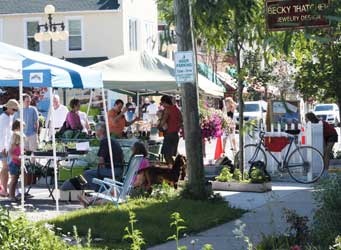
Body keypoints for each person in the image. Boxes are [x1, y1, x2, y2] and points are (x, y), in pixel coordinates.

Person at [83, 123, 124, 191]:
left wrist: (101, 170)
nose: (95, 132)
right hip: (118, 168)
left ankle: (99, 192)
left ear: (100, 131)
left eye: (96, 130)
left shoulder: (105, 141)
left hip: (113, 170)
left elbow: (101, 159)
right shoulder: (111, 139)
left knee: (87, 173)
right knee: (94, 171)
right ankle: (102, 190)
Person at [0, 99, 19, 197]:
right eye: (14, 110)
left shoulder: (9, 117)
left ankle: (3, 189)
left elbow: (9, 133)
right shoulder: (3, 118)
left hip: (6, 147)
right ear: (8, 108)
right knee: (5, 168)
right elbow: (2, 134)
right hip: (3, 147)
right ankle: (3, 189)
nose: (15, 112)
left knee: (5, 168)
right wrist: (3, 147)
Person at [159, 95, 182, 167]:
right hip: (175, 134)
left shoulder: (167, 109)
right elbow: (181, 120)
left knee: (167, 155)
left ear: (165, 102)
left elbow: (163, 121)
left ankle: (173, 170)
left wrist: (159, 126)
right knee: (170, 155)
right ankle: (174, 169)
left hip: (169, 134)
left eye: (162, 103)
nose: (162, 105)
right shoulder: (177, 109)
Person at [8, 132, 21, 201]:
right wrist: (17, 157)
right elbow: (10, 154)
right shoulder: (13, 145)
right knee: (13, 180)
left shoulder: (18, 145)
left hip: (17, 164)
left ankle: (13, 195)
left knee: (15, 180)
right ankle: (11, 195)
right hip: (13, 164)